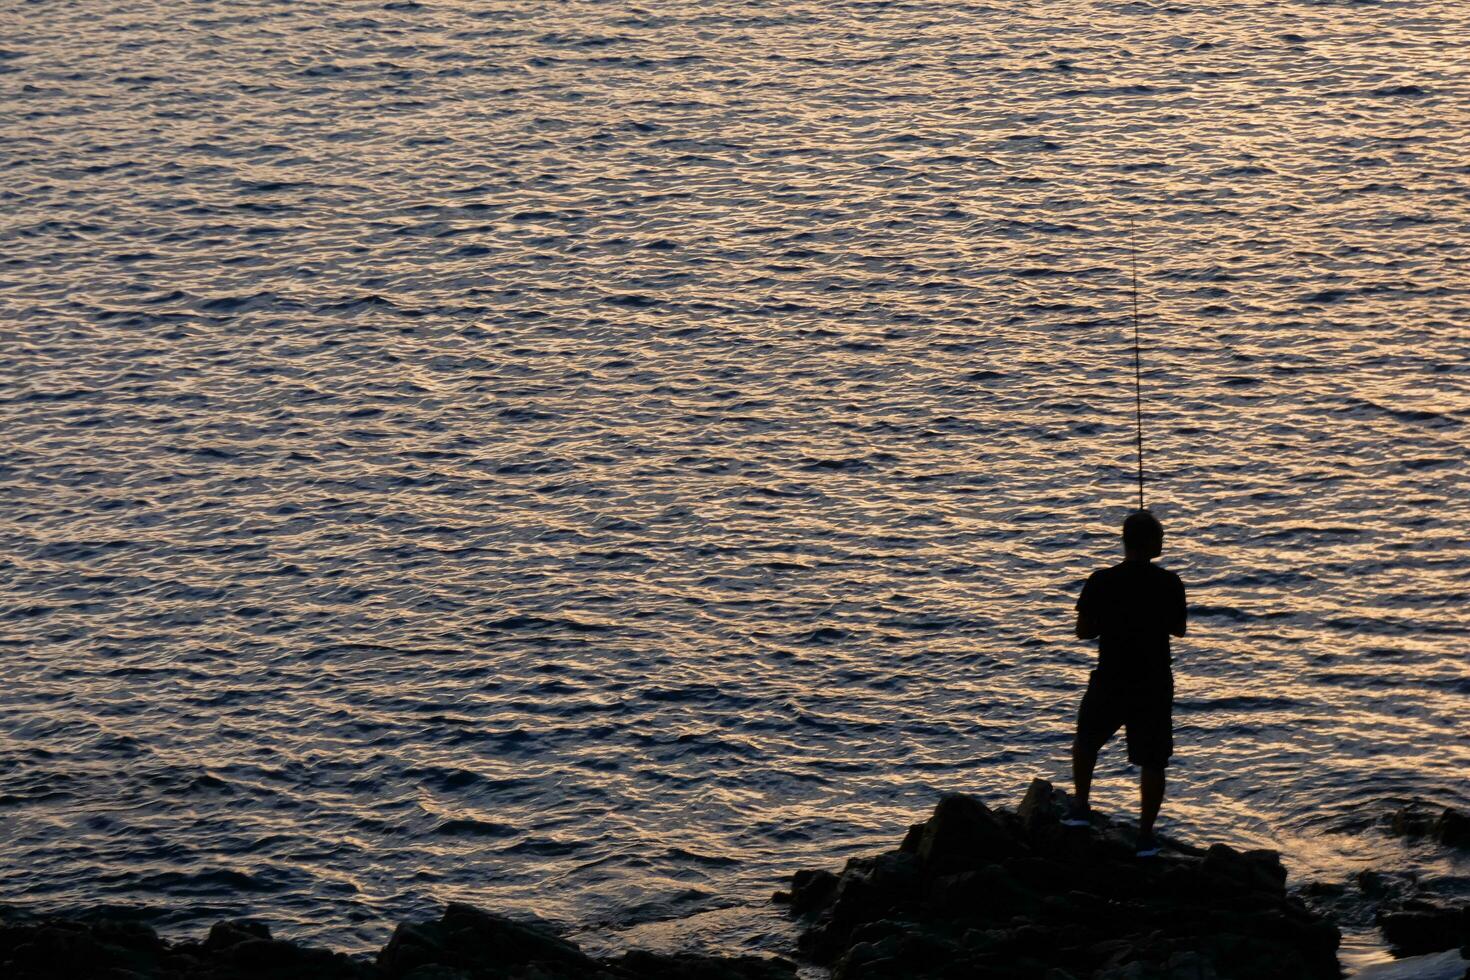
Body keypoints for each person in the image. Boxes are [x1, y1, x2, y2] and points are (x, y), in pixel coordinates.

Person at [1064, 509, 1187, 857]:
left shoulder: (1101, 580)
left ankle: (1080, 810)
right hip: (1153, 681)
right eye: (1160, 536)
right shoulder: (1170, 582)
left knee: (1086, 741)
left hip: (1112, 676)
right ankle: (1146, 837)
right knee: (1153, 760)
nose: (1163, 541)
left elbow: (1084, 632)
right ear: (1149, 543)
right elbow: (1179, 629)